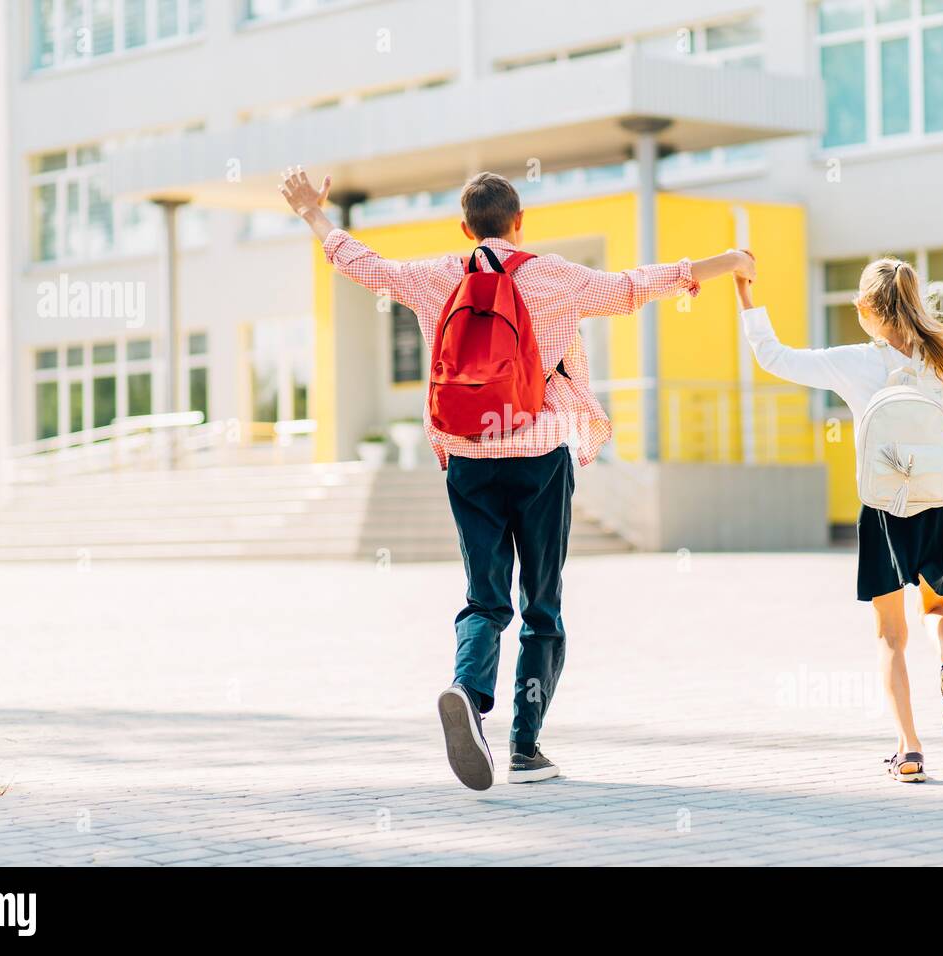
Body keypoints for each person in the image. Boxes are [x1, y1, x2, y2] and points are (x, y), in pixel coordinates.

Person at [280, 167, 755, 790]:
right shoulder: (554, 276)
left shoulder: (434, 277)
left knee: (484, 597)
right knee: (542, 605)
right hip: (539, 456)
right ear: (519, 221)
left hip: (469, 457)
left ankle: (468, 692)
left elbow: (363, 264)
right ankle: (526, 749)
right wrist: (727, 261)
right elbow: (634, 286)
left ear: (464, 225)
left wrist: (315, 213)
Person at [735, 256, 943, 782]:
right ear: (914, 302)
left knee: (889, 636)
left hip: (882, 506)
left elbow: (773, 357)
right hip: (941, 499)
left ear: (864, 308)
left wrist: (746, 294)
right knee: (936, 607)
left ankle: (909, 751)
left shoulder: (855, 361)